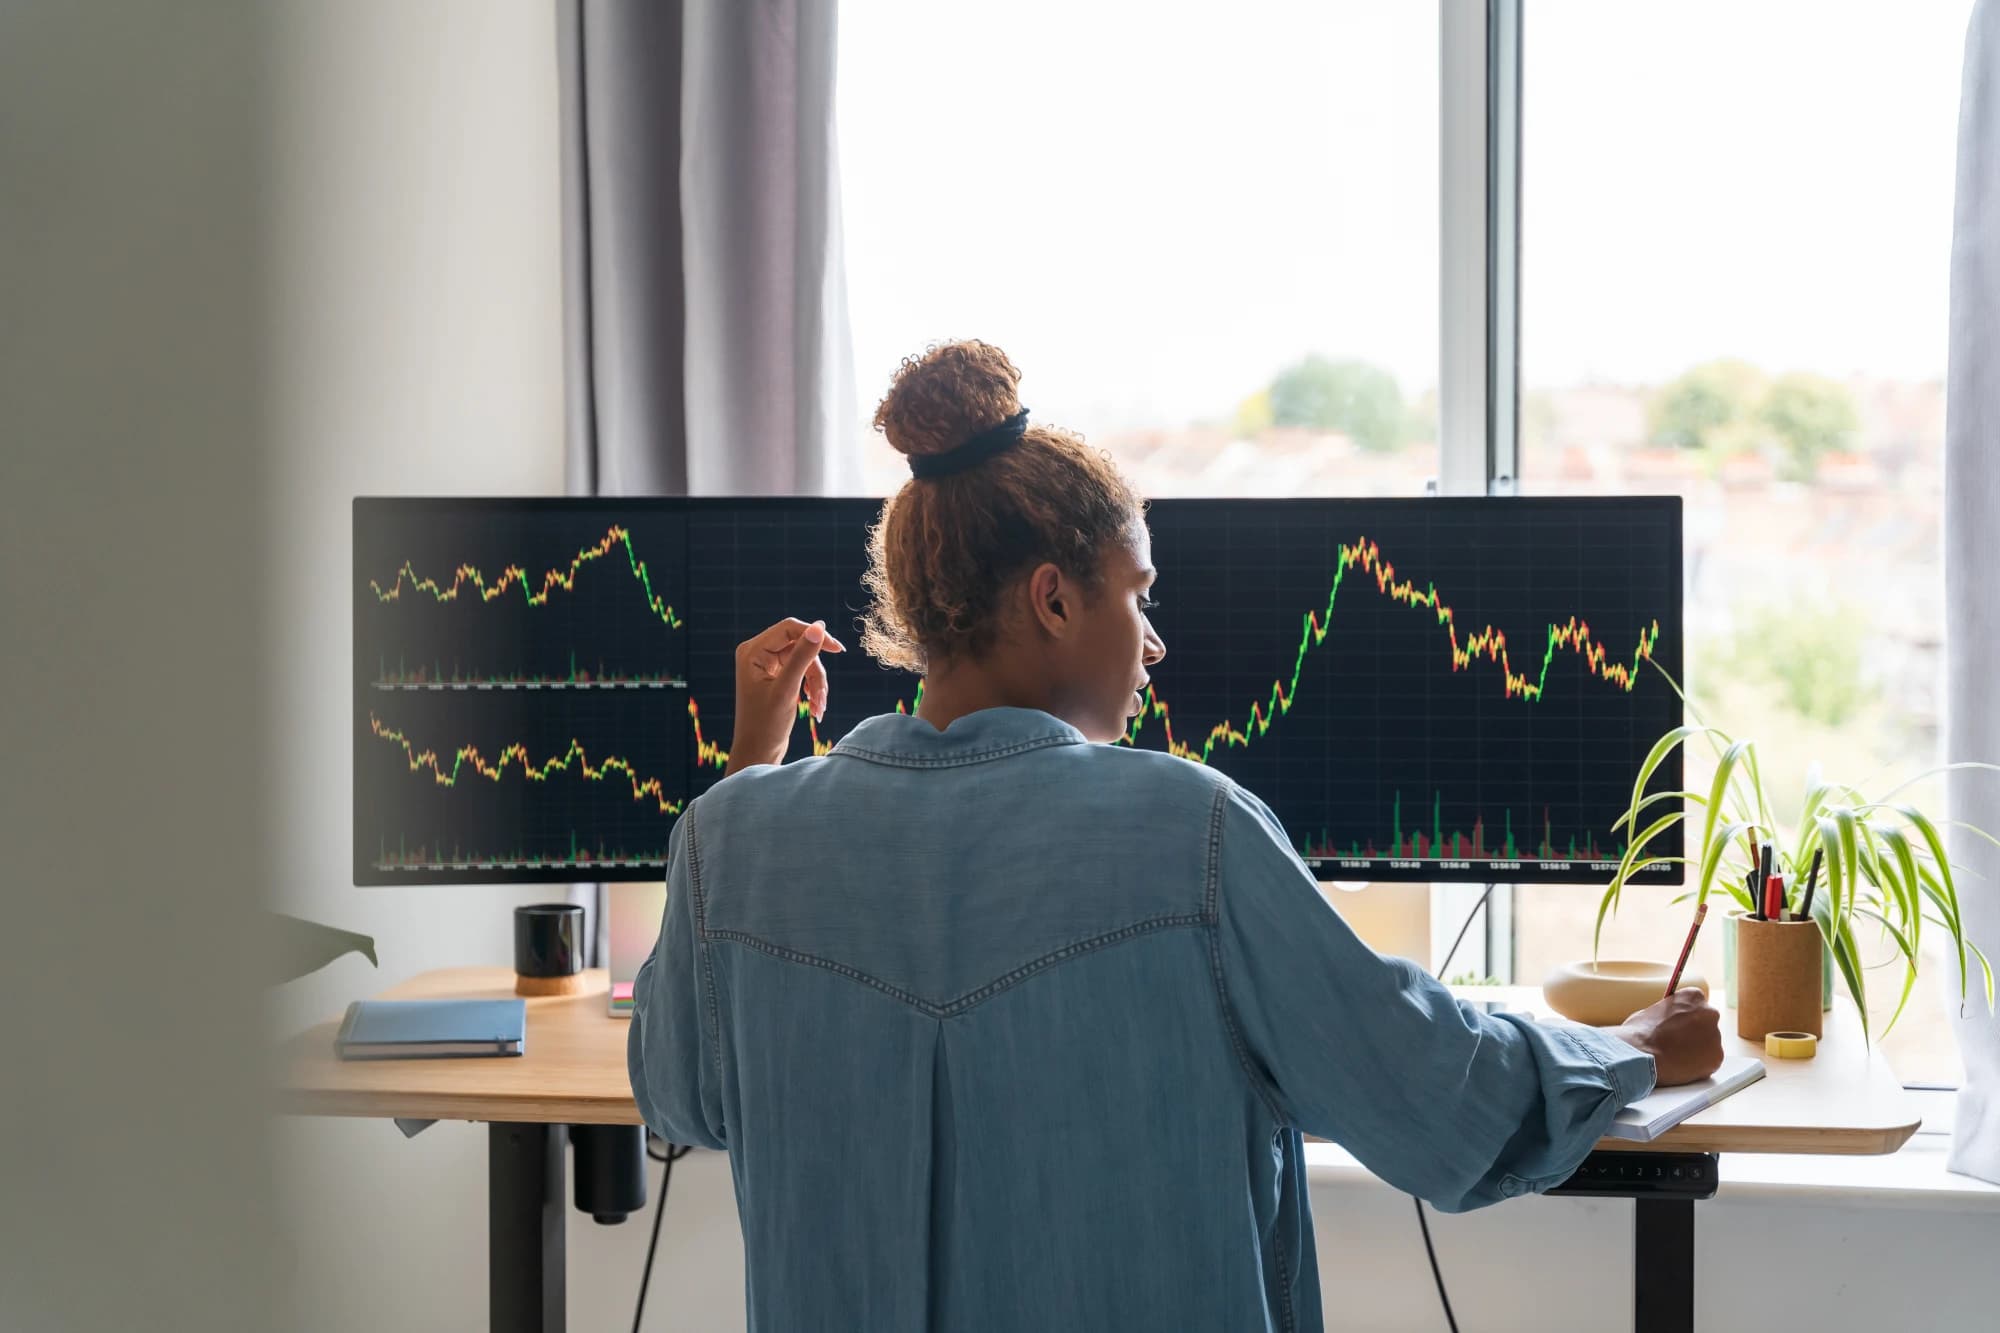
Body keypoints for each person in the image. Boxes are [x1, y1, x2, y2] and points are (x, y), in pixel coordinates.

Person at [629, 340, 1722, 1332]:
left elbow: (679, 1096)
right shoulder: (1191, 830)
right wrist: (1625, 1051)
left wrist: (745, 772)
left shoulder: (733, 837)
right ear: (1053, 600)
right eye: (1137, 594)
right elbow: (1427, 1091)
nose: (1149, 645)